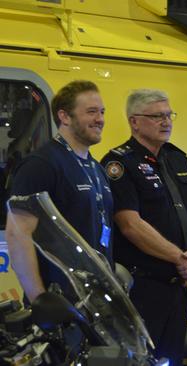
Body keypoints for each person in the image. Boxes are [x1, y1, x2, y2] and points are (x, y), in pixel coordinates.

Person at [100, 89, 187, 366]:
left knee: (171, 358)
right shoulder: (119, 163)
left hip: (178, 287)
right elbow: (130, 225)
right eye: (157, 116)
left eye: (168, 115)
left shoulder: (178, 159)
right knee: (139, 359)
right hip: (143, 288)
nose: (166, 122)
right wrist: (180, 258)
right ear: (134, 121)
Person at [6, 80, 113, 302]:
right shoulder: (41, 164)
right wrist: (39, 300)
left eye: (102, 112)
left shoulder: (97, 169)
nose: (100, 119)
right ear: (64, 116)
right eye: (91, 112)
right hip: (61, 302)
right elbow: (18, 233)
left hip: (97, 303)